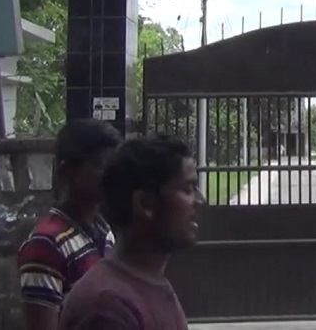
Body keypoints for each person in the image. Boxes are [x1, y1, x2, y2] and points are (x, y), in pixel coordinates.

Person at [58, 136, 205, 330]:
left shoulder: (150, 282)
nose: (200, 200)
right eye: (187, 189)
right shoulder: (108, 308)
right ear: (144, 204)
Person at [17, 119, 123, 330]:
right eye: (100, 165)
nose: (111, 177)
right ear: (68, 172)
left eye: (114, 167)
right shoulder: (46, 244)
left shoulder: (104, 231)